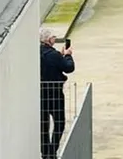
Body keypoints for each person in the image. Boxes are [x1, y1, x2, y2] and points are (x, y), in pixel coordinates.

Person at [40, 28, 74, 159]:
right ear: (49, 40)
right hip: (55, 92)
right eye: (54, 37)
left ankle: (45, 153)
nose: (55, 39)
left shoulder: (38, 53)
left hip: (41, 94)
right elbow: (69, 67)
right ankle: (52, 151)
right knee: (59, 122)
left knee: (43, 124)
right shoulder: (54, 55)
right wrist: (67, 55)